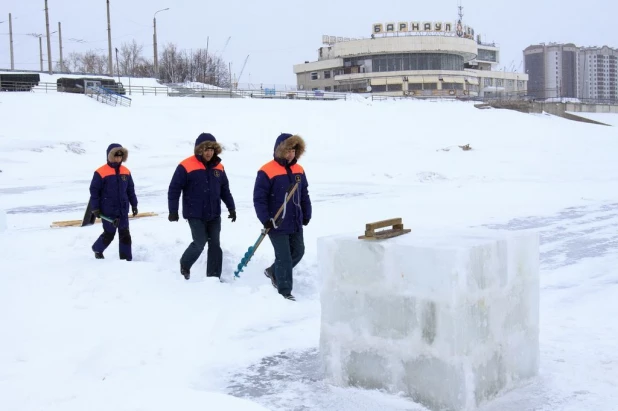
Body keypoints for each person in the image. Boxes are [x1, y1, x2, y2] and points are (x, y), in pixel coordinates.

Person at [168, 133, 236, 280]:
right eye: (205, 149)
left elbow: (224, 189)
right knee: (200, 242)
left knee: (215, 245)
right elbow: (174, 189)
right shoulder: (186, 166)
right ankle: (185, 263)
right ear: (199, 150)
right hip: (195, 213)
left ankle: (213, 277)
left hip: (214, 214)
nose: (209, 152)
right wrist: (173, 210)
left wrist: (231, 208)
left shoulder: (219, 167)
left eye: (211, 149)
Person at [253, 133, 312, 301]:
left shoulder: (299, 170)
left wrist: (307, 213)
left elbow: (304, 194)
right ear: (280, 150)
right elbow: (259, 198)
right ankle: (284, 291)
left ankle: (273, 271)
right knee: (284, 257)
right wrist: (265, 219)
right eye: (288, 150)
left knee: (298, 251)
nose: (291, 154)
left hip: (295, 220)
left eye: (294, 150)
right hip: (276, 222)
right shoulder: (267, 170)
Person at [90, 143, 138, 260]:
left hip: (123, 209)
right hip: (108, 210)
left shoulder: (126, 171)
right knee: (109, 234)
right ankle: (97, 248)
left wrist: (134, 204)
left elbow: (130, 189)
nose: (118, 159)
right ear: (109, 156)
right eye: (116, 156)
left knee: (125, 234)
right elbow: (94, 192)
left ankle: (126, 259)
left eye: (120, 156)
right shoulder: (100, 172)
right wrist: (95, 208)